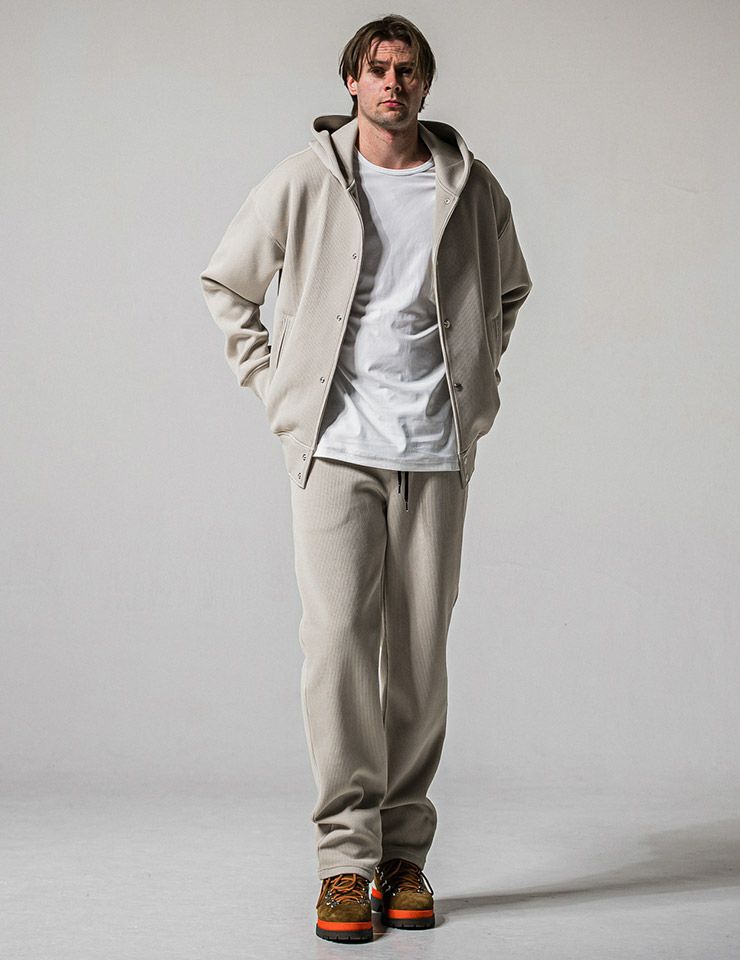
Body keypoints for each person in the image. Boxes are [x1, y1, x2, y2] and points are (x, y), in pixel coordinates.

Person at [200, 14, 533, 944]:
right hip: (336, 451)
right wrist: (278, 388)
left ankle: (403, 857)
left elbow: (510, 288)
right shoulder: (306, 179)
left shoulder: (469, 185)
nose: (393, 83)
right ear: (351, 80)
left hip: (434, 451)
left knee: (419, 659)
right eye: (378, 68)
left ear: (426, 82)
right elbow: (228, 283)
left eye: (408, 69)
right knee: (340, 651)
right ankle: (344, 864)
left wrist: (474, 378)